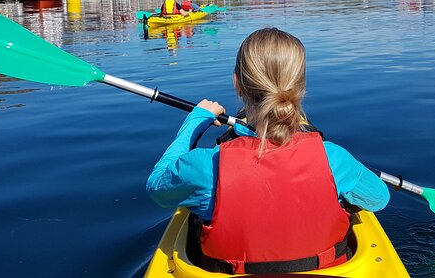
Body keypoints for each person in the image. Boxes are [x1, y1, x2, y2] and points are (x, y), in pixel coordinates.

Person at [146, 28, 389, 274]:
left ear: (237, 84)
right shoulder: (334, 159)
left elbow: (157, 186)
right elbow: (379, 198)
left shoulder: (204, 166)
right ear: (300, 87)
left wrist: (195, 121)